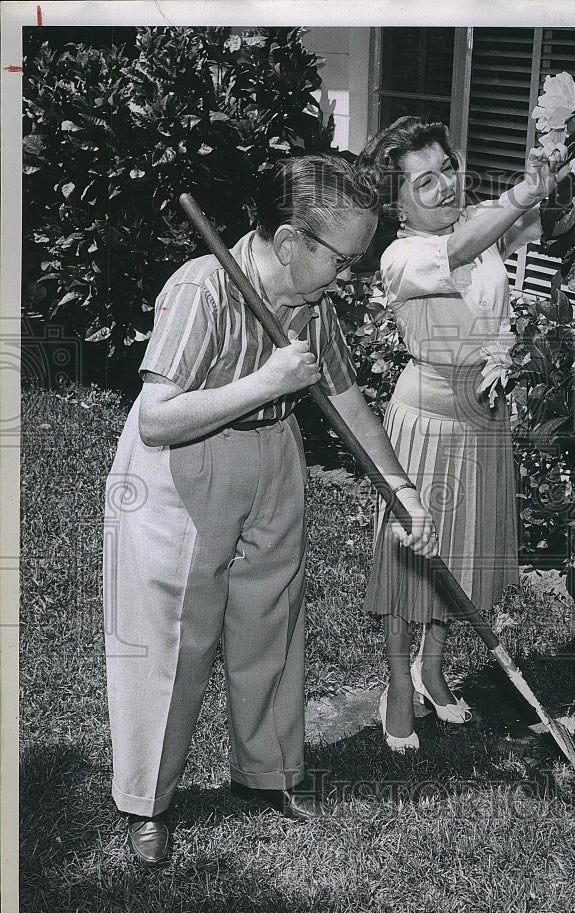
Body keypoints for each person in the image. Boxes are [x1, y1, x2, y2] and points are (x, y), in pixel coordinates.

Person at [103, 155, 437, 867]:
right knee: (174, 639)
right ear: (290, 243)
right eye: (342, 258)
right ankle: (148, 802)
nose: (349, 274)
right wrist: (266, 381)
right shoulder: (203, 290)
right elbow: (159, 419)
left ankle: (267, 775)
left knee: (270, 622)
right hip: (184, 466)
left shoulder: (314, 306)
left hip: (273, 454)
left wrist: (402, 492)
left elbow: (349, 403)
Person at [355, 117, 565, 752]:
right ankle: (397, 683)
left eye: (448, 167)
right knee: (411, 558)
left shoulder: (479, 223)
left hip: (485, 413)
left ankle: (432, 667)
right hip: (429, 417)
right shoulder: (404, 255)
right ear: (395, 203)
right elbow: (463, 248)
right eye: (425, 181)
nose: (445, 185)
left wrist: (562, 173)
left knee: (465, 549)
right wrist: (521, 195)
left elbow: (545, 223)